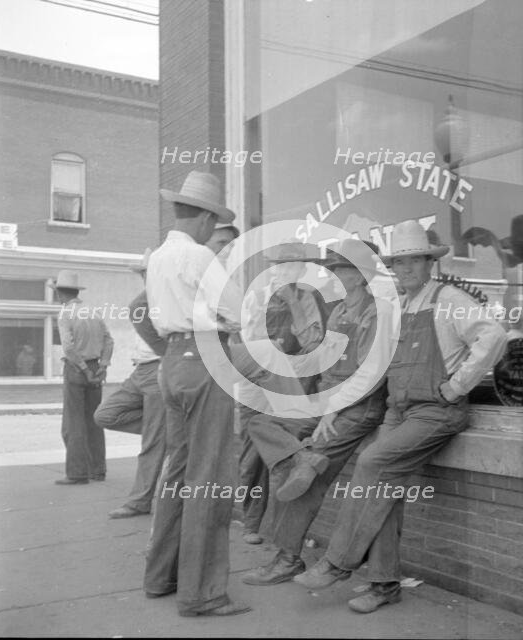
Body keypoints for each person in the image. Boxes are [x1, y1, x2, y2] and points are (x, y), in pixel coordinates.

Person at [293, 220, 507, 613]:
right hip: (399, 410)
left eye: (415, 261)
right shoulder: (399, 307)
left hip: (437, 412)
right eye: (400, 263)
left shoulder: (449, 299)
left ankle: (338, 563)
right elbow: (371, 368)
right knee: (383, 489)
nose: (407, 269)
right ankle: (384, 584)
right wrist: (336, 407)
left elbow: (493, 336)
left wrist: (457, 386)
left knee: (374, 461)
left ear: (430, 263)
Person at [241, 238, 393, 586]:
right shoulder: (340, 311)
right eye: (334, 269)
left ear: (359, 276)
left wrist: (332, 409)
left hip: (358, 407)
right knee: (263, 422)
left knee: (309, 478)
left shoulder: (377, 313)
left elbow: (370, 375)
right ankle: (298, 458)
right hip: (331, 403)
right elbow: (326, 360)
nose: (334, 275)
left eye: (341, 270)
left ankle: (287, 558)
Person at [143, 170, 250, 617]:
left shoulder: (158, 257)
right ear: (204, 217)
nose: (213, 231)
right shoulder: (200, 256)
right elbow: (237, 312)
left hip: (171, 362)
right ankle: (202, 593)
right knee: (209, 476)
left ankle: (161, 575)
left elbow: (148, 314)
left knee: (177, 470)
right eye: (213, 222)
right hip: (205, 360)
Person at [238, 242, 325, 544]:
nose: (288, 272)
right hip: (255, 385)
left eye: (295, 267)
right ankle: (250, 523)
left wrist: (293, 304)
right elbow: (246, 341)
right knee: (251, 459)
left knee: (284, 457)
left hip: (291, 385)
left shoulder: (308, 299)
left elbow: (313, 342)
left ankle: (282, 530)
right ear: (274, 268)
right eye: (283, 266)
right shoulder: (256, 296)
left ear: (303, 270)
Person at [94, 249, 167, 518]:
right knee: (105, 415)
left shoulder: (166, 296)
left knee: (151, 444)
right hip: (140, 371)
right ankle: (167, 432)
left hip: (158, 369)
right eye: (143, 273)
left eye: (149, 272)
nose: (146, 277)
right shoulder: (148, 298)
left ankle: (139, 502)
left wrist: (168, 358)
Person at [53, 270, 114, 485]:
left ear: (60, 294)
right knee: (93, 421)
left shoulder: (65, 314)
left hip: (76, 370)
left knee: (73, 423)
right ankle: (97, 470)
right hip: (95, 367)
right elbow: (109, 340)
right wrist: (103, 367)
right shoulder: (93, 312)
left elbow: (68, 347)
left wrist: (83, 369)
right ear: (76, 291)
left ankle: (77, 473)